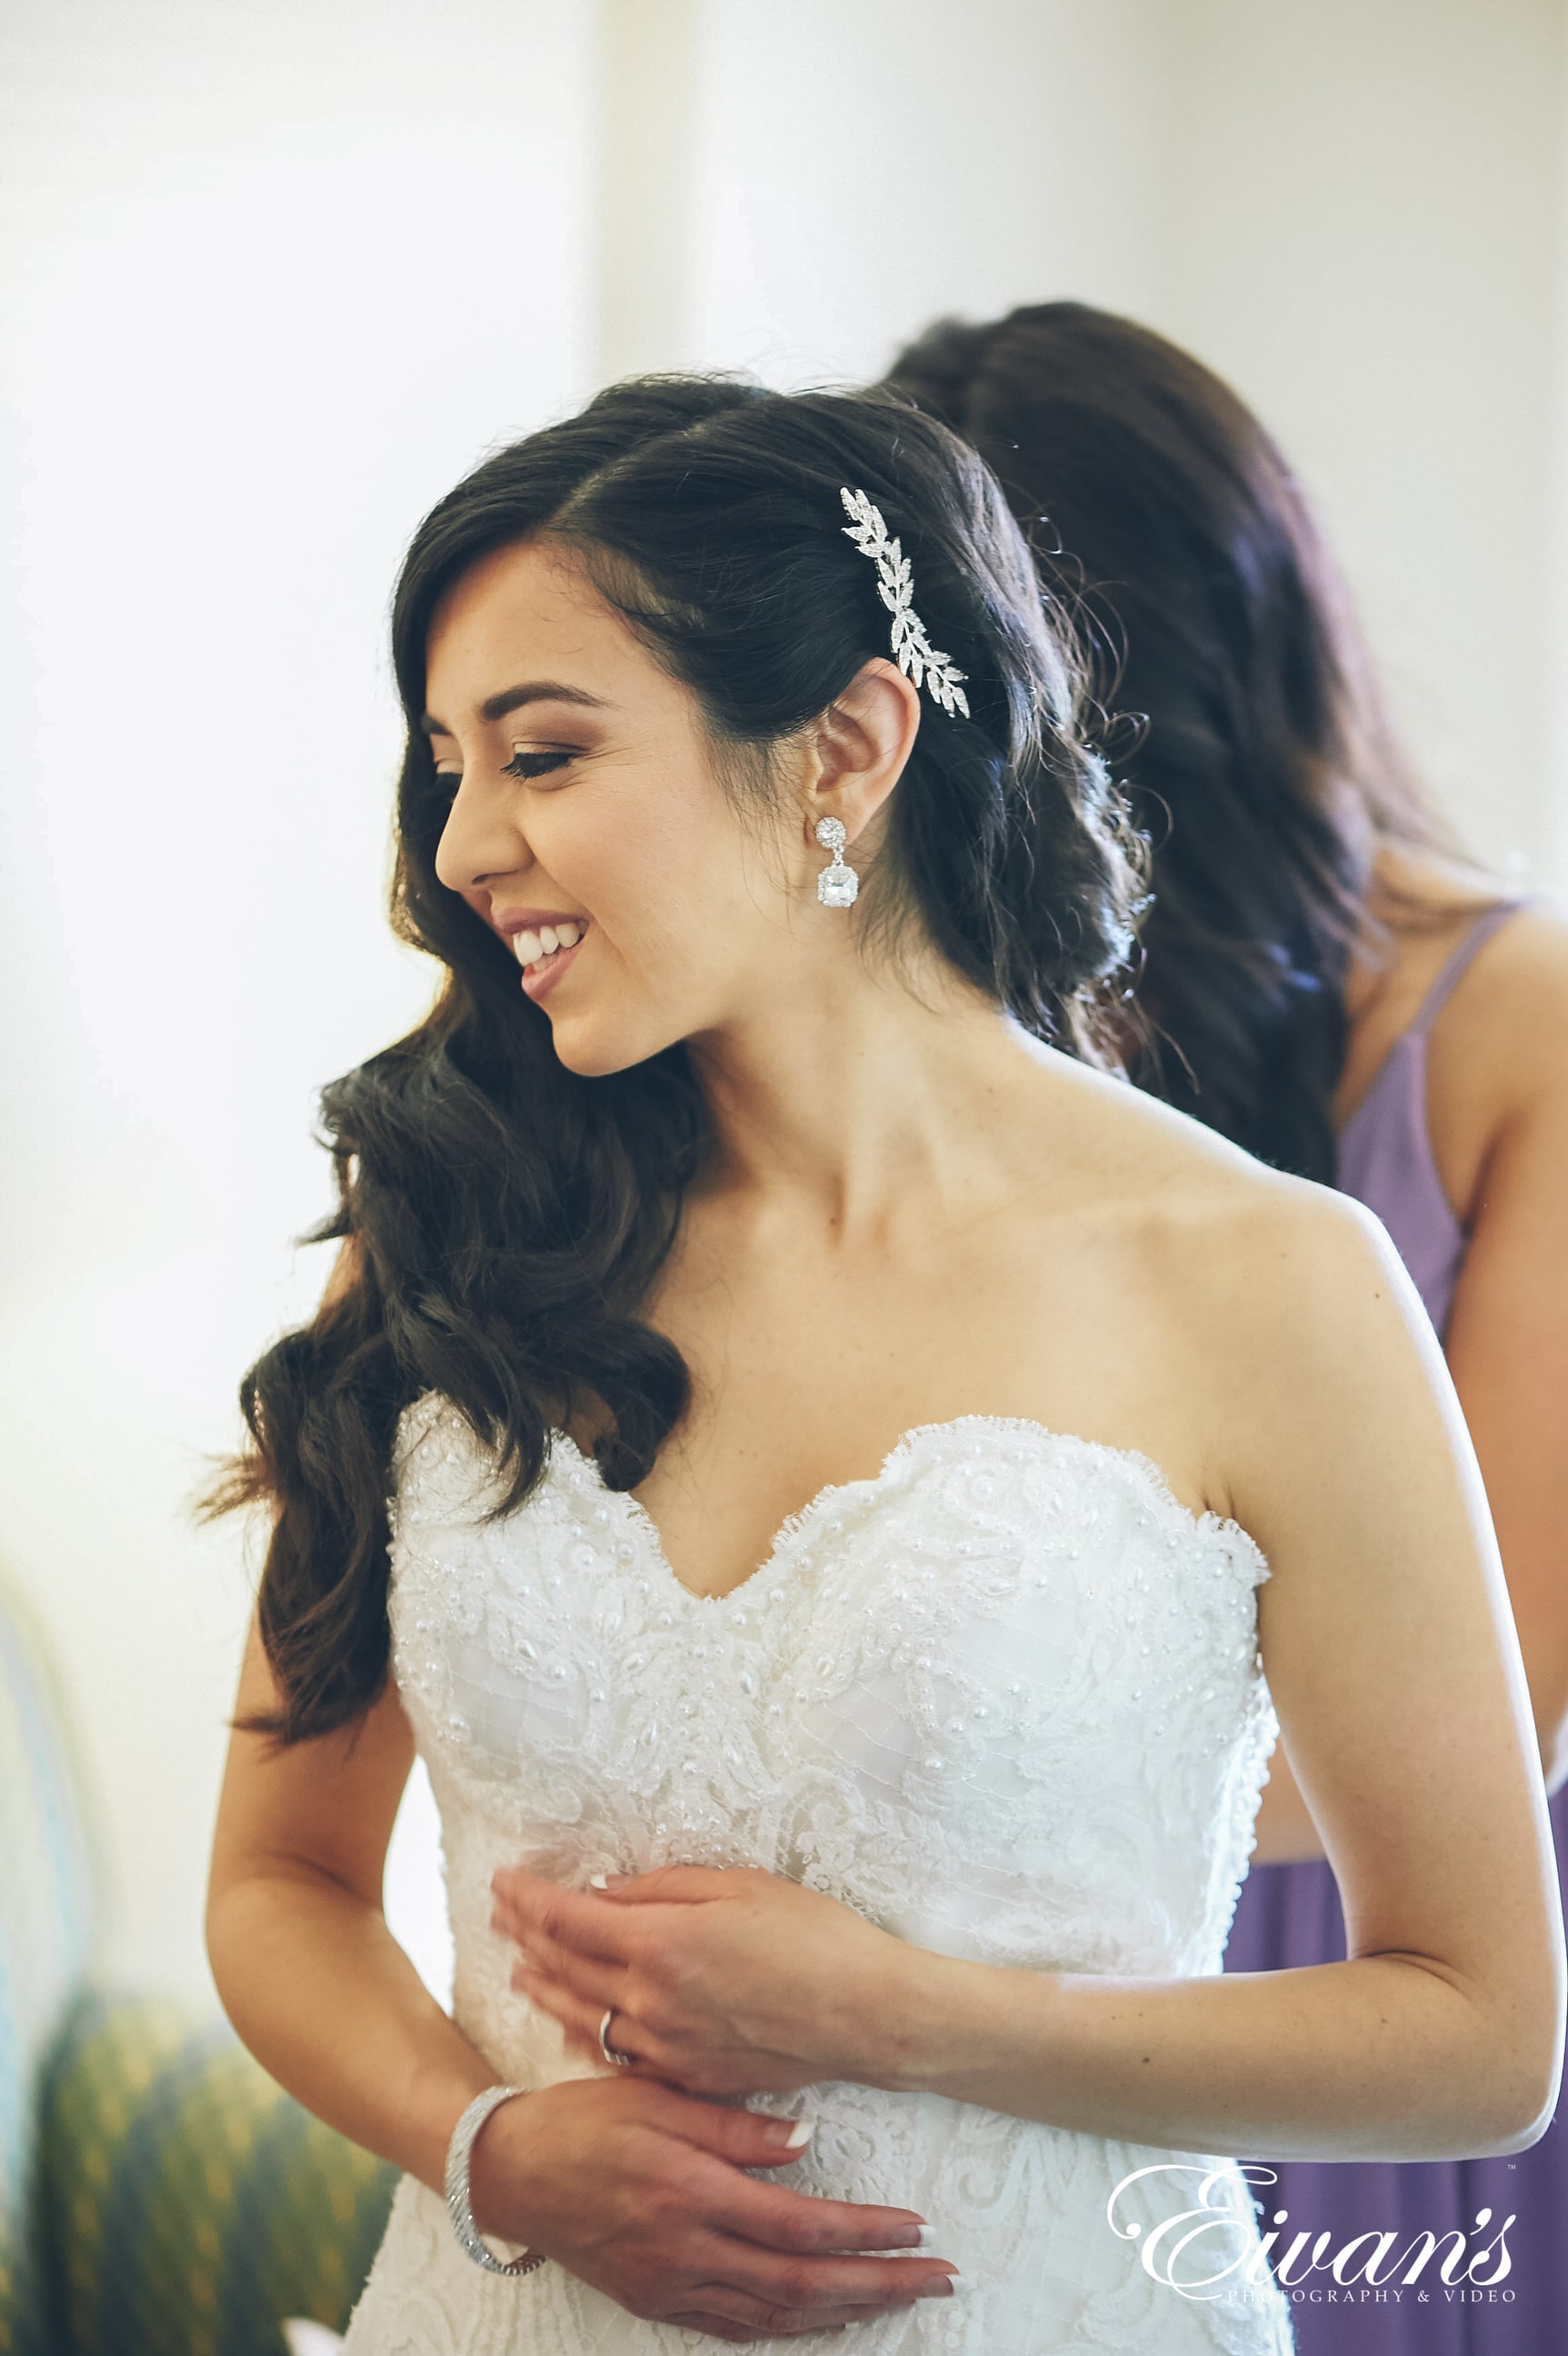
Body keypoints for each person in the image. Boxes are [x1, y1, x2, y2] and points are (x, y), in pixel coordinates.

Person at [205, 377, 1562, 2356]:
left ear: (844, 746)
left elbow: (1477, 2037)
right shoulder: (452, 1234)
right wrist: (485, 2144)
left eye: (546, 753)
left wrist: (902, 2020)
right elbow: (279, 1880)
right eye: (447, 768)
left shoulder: (1266, 1283)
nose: (472, 843)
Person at [882, 302, 1568, 2349]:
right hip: (1020, 1981)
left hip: (1389, 1950)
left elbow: (1513, 1696)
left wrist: (937, 1859)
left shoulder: (1505, 1028)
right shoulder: (929, 1060)